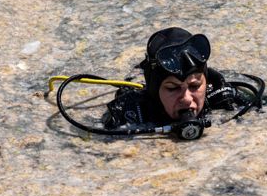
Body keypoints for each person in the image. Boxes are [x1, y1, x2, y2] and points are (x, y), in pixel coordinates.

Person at [103, 27, 244, 129]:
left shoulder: (220, 96)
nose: (187, 99)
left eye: (194, 86)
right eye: (173, 88)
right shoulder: (130, 112)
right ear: (155, 91)